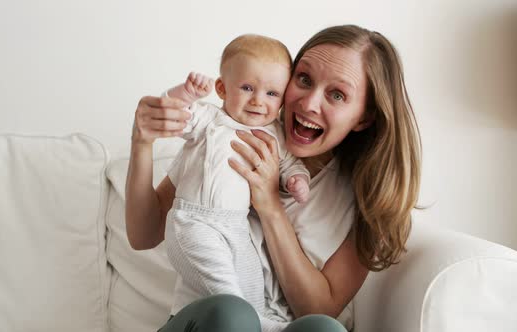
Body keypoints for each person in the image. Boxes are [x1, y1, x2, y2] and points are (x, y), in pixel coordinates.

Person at [125, 24, 422, 332]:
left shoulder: (367, 200)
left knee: (324, 329)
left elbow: (317, 309)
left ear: (364, 117)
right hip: (208, 323)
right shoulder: (233, 133)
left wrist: (268, 203)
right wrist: (142, 142)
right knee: (233, 316)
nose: (308, 103)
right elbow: (143, 235)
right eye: (304, 79)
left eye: (336, 94)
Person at [158, 34, 311, 332]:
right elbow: (173, 113)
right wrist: (186, 94)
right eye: (247, 88)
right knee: (223, 282)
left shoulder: (275, 134)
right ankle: (253, 322)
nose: (258, 100)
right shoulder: (209, 121)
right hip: (194, 220)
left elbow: (292, 164)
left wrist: (297, 180)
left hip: (237, 226)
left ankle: (258, 321)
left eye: (271, 94)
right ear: (221, 88)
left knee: (250, 282)